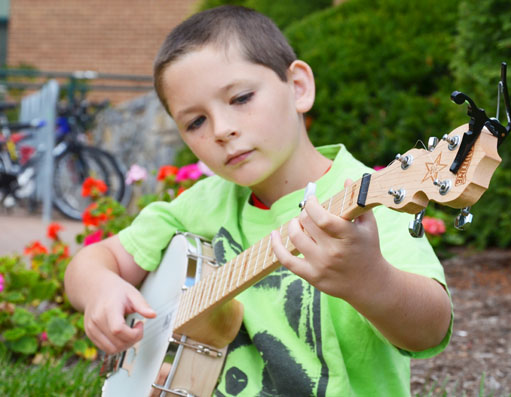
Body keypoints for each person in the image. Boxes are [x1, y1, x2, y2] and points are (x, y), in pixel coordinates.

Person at [65, 5, 452, 396]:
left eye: (241, 98)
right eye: (195, 122)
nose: (222, 129)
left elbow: (431, 330)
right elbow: (95, 262)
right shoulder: (202, 204)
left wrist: (370, 280)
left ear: (298, 87)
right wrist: (99, 287)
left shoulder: (368, 202)